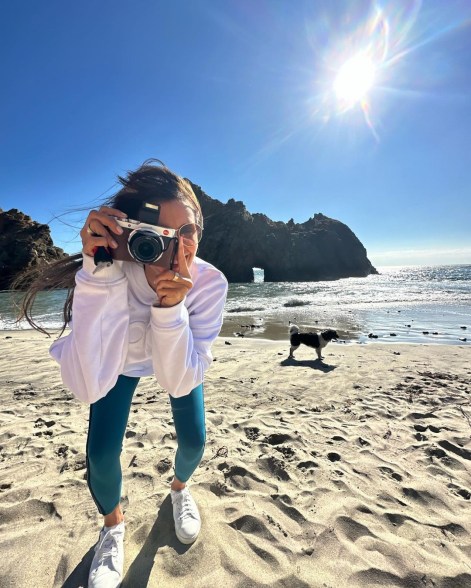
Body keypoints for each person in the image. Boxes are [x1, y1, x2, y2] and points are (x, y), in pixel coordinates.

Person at [17, 160, 228, 588]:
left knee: (194, 440)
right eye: (157, 234)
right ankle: (113, 525)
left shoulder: (209, 283)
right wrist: (98, 273)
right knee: (99, 455)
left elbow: (178, 381)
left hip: (179, 355)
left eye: (186, 233)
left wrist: (171, 309)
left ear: (199, 234)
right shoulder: (110, 266)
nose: (173, 248)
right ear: (132, 229)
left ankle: (179, 489)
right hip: (118, 365)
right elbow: (87, 384)